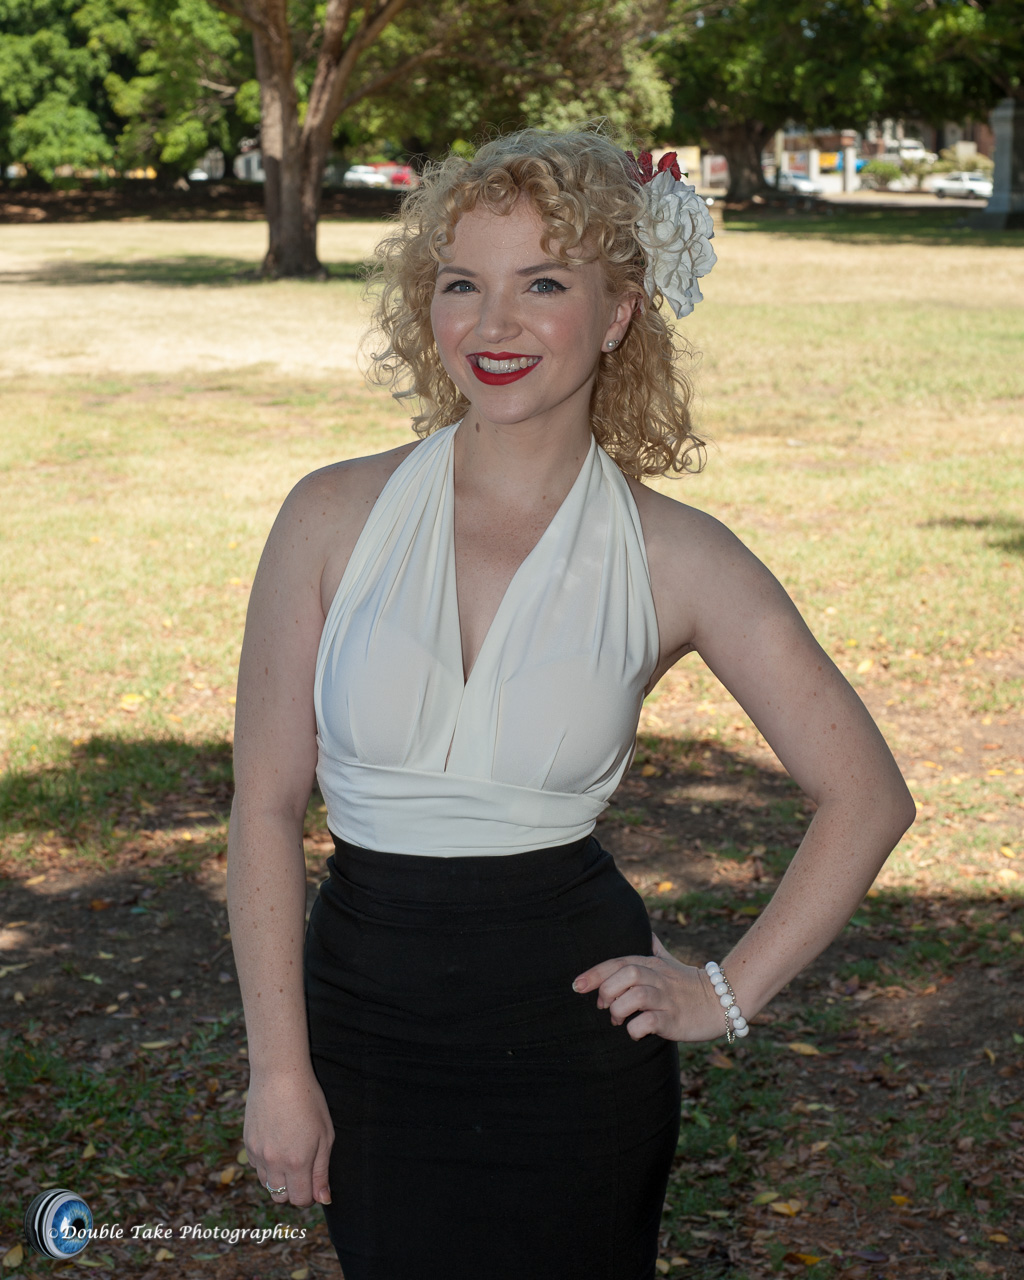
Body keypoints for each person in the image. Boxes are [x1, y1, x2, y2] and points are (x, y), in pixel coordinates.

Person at [227, 126, 914, 1280]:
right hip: (362, 1028)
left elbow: (866, 796)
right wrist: (278, 1067)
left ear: (616, 313)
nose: (492, 325)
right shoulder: (329, 516)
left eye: (541, 284)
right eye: (462, 284)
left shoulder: (675, 554)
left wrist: (725, 993)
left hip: (574, 1045)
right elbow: (261, 805)